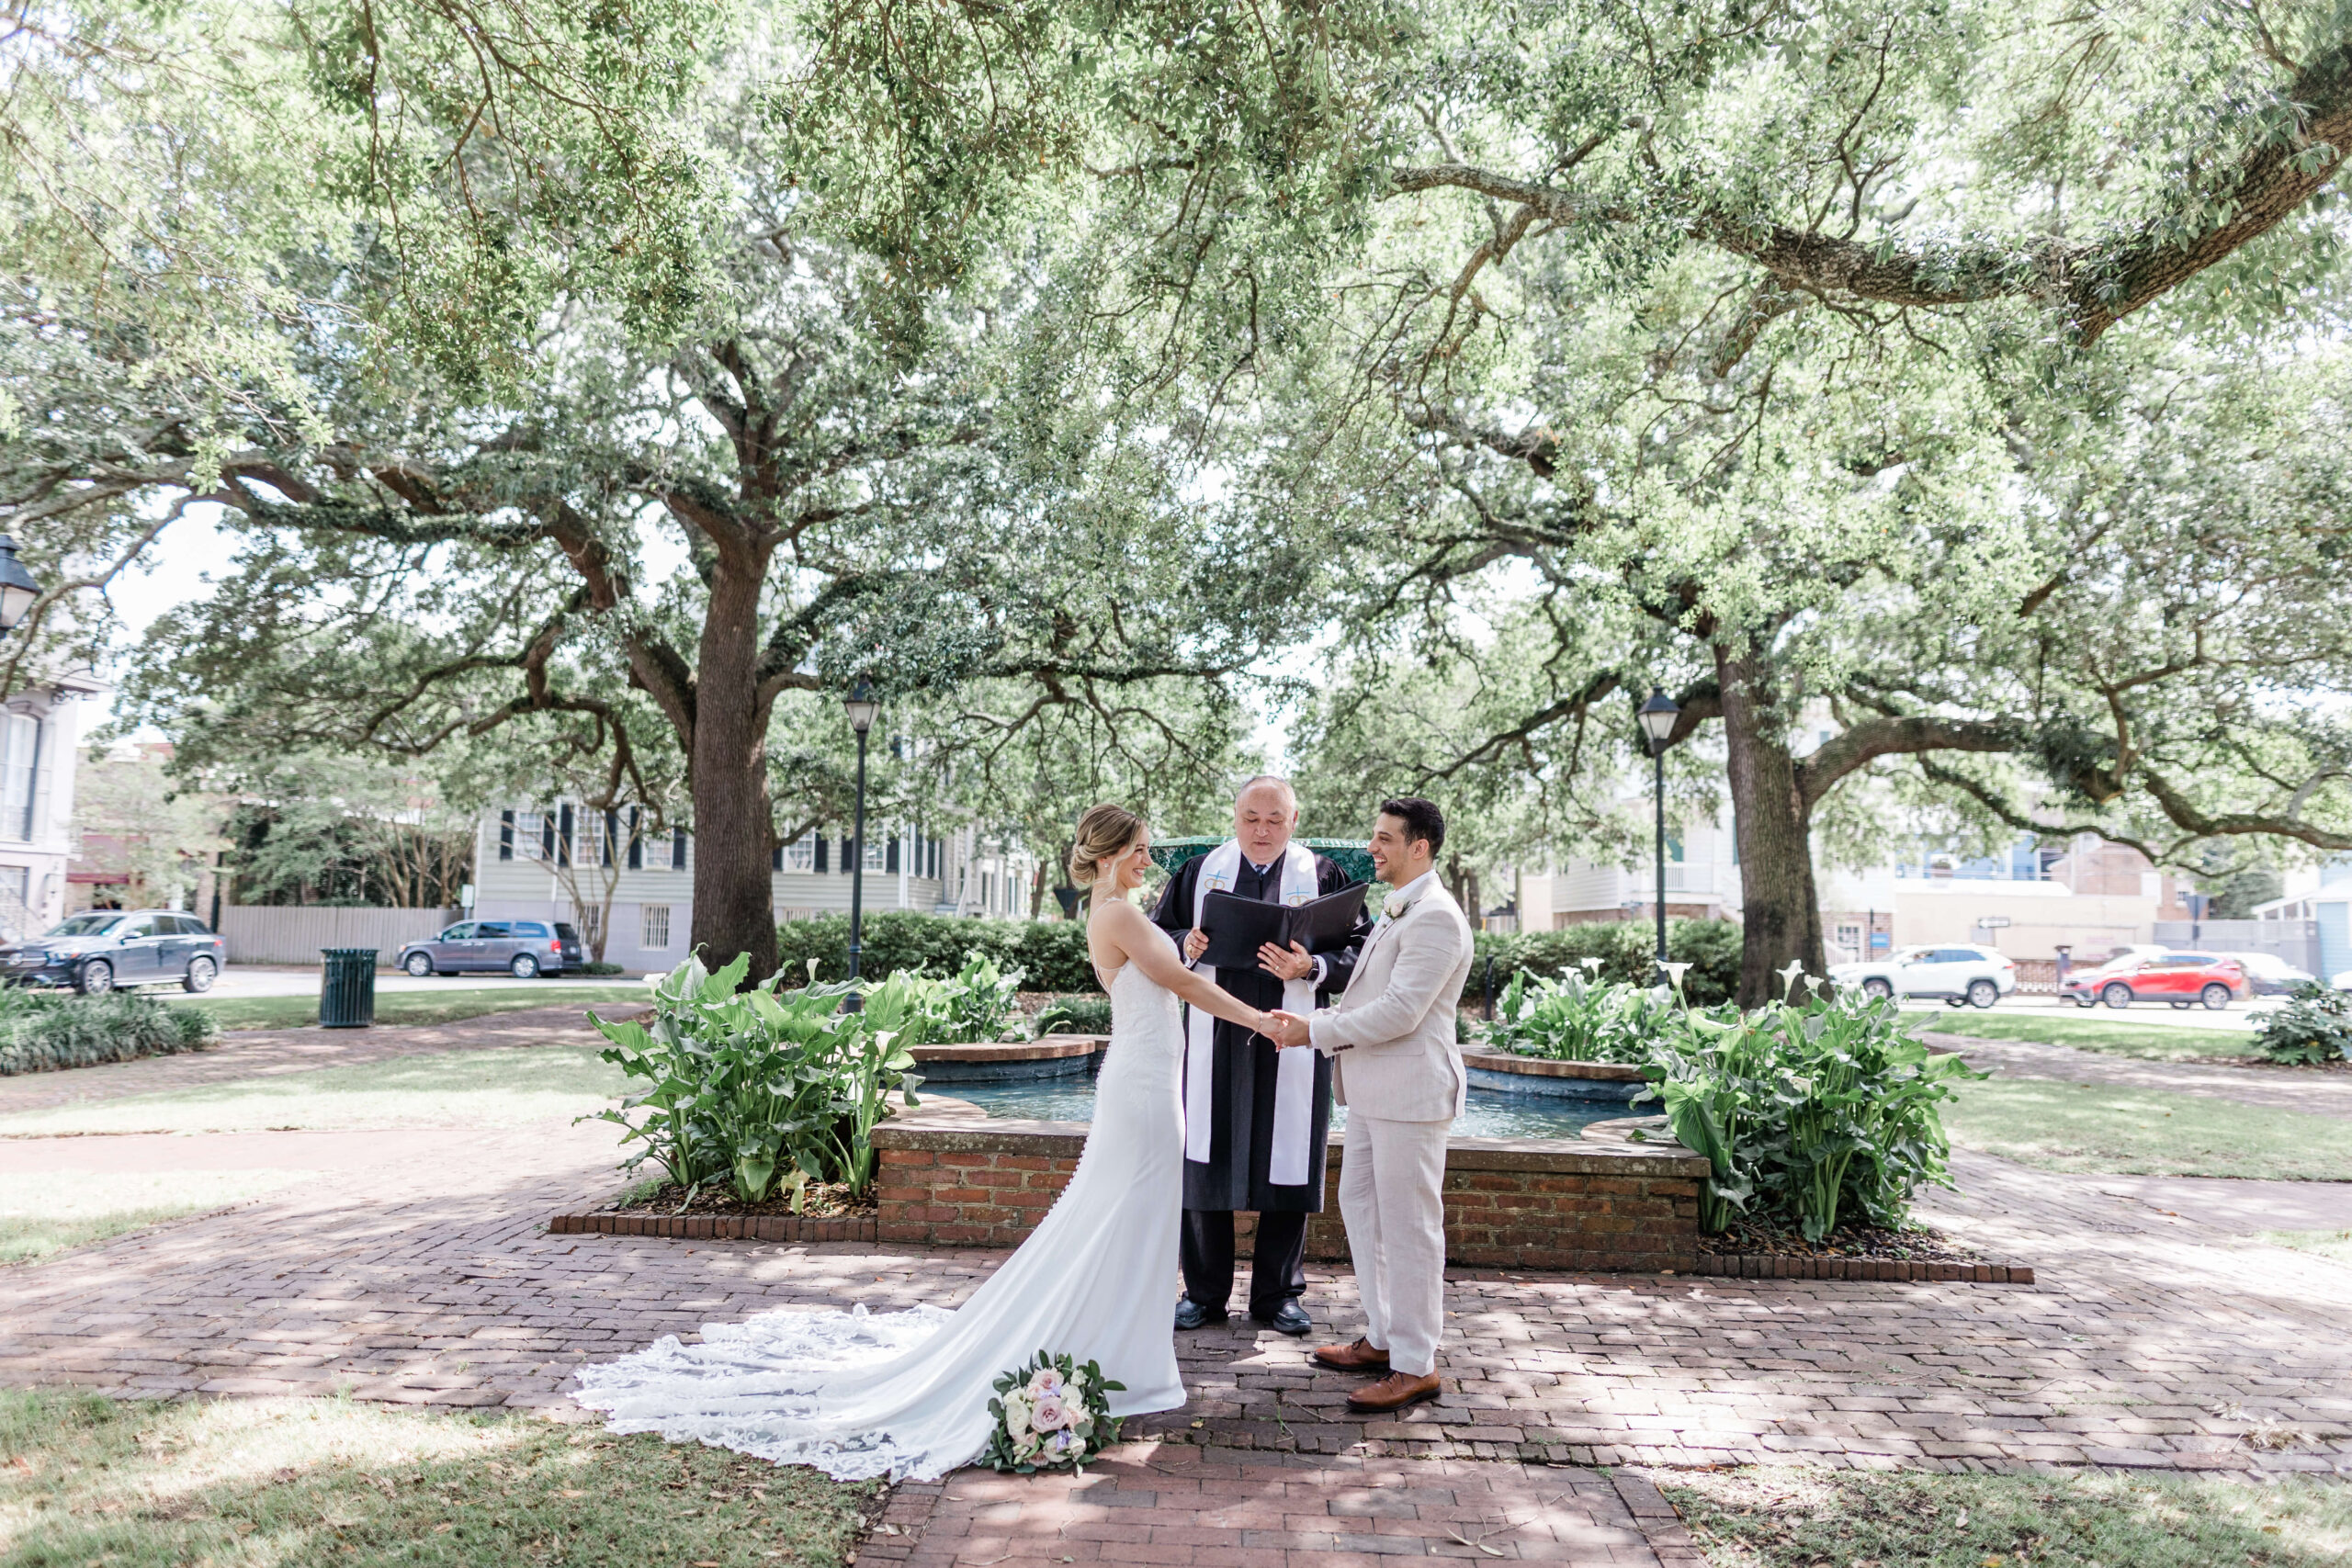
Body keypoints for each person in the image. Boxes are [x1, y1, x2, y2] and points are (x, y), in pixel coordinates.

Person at [571, 804, 1274, 1481]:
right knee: (1126, 1219)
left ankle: (1124, 1355)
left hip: (1145, 1081)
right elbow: (1178, 981)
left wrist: (1182, 945)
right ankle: (1121, 1360)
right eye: (1141, 848)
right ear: (1112, 852)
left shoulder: (1115, 914)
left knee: (1129, 1221)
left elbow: (1162, 971)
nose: (1150, 859)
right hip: (1145, 1091)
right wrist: (1260, 1018)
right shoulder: (1119, 911)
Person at [1267, 796, 1472, 1414]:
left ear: (1420, 847)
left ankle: (1415, 1363)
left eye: (1385, 838)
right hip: (1372, 1094)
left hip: (1410, 1096)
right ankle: (1384, 1337)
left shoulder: (1435, 916)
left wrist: (1313, 1030)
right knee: (1362, 1208)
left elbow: (1402, 1011)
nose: (1372, 847)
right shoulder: (1399, 908)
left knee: (1410, 1230)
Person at [1151, 775, 1372, 1337]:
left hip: (1292, 1034)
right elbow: (1155, 937)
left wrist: (1311, 967)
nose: (1262, 830)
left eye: (1275, 819)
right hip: (1212, 1038)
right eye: (1251, 817)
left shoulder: (1323, 876)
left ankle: (1278, 1295)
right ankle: (1202, 1293)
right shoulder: (1201, 873)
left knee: (1289, 1156)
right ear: (1235, 817)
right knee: (1203, 1156)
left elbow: (1362, 953)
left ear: (1294, 821)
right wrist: (1185, 945)